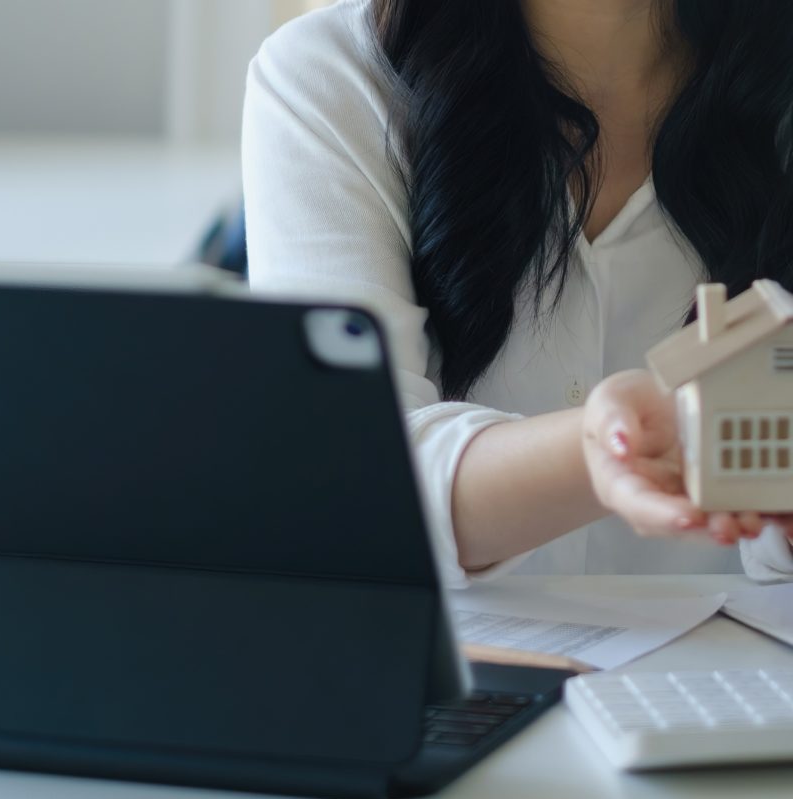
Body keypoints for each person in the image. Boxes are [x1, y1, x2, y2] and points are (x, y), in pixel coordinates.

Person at [242, 0, 793, 587]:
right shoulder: (332, 75)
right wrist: (597, 450)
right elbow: (346, 476)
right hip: (447, 666)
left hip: (742, 670)